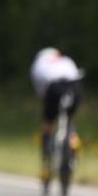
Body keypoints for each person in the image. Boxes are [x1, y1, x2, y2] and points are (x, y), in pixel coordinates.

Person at [30, 47, 83, 184]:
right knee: (70, 120)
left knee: (48, 125)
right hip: (74, 86)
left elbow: (41, 92)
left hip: (54, 87)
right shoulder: (66, 60)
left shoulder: (38, 65)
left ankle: (46, 164)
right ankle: (73, 140)